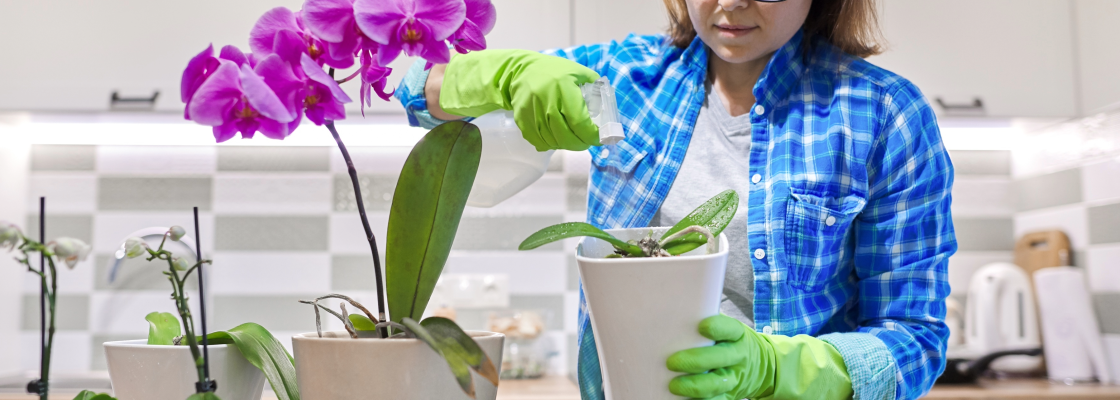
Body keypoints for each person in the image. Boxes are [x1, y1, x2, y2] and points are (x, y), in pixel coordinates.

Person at [395, 0, 956, 398]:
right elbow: (418, 89)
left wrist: (781, 370)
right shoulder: (623, 78)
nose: (732, 4)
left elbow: (915, 339)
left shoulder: (883, 115)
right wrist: (508, 75)